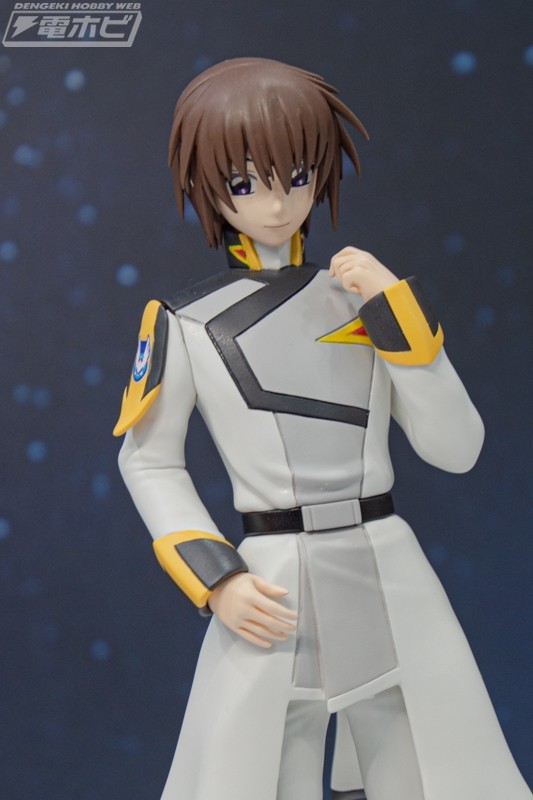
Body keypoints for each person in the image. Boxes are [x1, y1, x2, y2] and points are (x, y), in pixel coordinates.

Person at [114, 57, 531, 800]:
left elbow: (456, 449)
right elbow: (149, 462)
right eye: (244, 182)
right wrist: (215, 578)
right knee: (266, 768)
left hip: (386, 565)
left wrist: (401, 324)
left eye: (297, 176)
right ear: (209, 188)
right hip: (272, 582)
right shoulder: (186, 322)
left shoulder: (361, 299)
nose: (276, 204)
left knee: (422, 765)